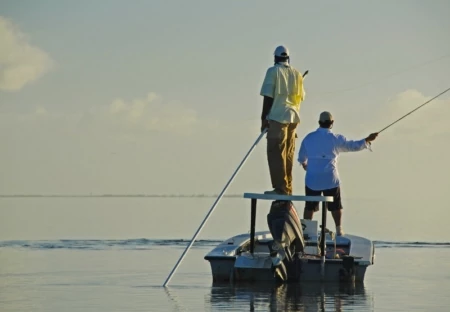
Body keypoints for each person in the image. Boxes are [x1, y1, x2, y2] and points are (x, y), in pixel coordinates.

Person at [297, 111, 378, 236]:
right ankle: (339, 229)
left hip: (313, 179)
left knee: (309, 206)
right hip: (330, 179)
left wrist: (305, 165)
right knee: (336, 206)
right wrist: (367, 139)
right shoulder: (336, 139)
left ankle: (306, 231)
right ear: (332, 123)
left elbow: (302, 158)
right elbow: (353, 146)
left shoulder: (309, 138)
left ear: (319, 122)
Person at [260, 45, 306, 195]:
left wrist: (263, 118)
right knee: (288, 153)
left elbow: (268, 96)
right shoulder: (297, 74)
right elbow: (302, 97)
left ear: (275, 58)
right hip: (294, 117)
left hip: (277, 117)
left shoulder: (272, 71)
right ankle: (288, 188)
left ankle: (281, 188)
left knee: (276, 152)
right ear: (288, 58)